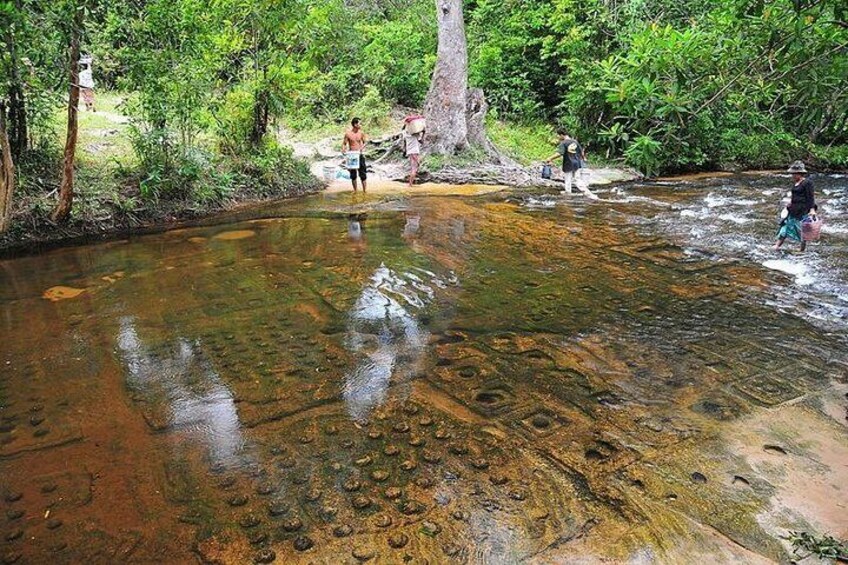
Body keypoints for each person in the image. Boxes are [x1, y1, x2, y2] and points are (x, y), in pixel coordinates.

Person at [775, 160, 815, 251]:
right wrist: (790, 203)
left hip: (802, 211)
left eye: (794, 174)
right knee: (785, 226)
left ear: (799, 173)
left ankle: (802, 250)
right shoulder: (796, 183)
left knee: (801, 230)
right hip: (792, 209)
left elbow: (810, 197)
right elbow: (795, 196)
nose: (792, 176)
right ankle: (777, 245)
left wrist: (812, 210)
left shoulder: (807, 183)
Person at [546, 131, 597, 198]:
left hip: (569, 163)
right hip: (577, 163)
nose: (557, 137)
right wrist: (584, 158)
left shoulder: (564, 143)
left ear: (562, 135)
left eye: (558, 135)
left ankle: (568, 192)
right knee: (577, 179)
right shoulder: (575, 141)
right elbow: (581, 151)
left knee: (568, 179)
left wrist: (550, 158)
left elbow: (559, 153)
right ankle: (588, 193)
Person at [342, 117, 367, 192]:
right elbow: (344, 143)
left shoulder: (361, 133)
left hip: (359, 154)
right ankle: (355, 190)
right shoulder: (348, 134)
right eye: (360, 123)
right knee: (353, 174)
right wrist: (343, 149)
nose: (361, 125)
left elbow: (365, 142)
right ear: (355, 124)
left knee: (362, 173)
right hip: (351, 155)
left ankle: (364, 191)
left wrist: (361, 148)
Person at [402, 119, 425, 187]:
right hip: (415, 151)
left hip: (409, 151)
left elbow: (404, 143)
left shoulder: (404, 133)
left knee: (414, 167)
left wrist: (404, 151)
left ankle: (412, 183)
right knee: (414, 168)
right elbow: (421, 141)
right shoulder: (415, 134)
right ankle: (410, 184)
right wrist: (423, 133)